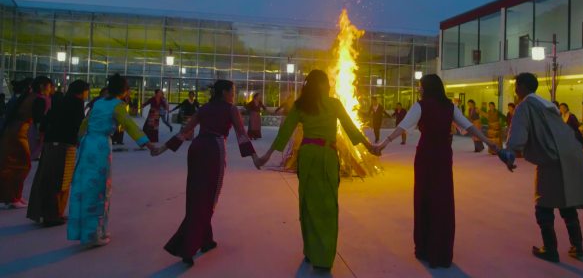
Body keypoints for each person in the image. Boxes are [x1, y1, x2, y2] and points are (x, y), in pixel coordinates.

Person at [257, 70, 377, 270]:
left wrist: (267, 155)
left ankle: (311, 251)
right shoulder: (334, 104)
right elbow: (351, 128)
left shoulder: (301, 105)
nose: (329, 85)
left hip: (308, 155)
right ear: (322, 84)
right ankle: (324, 257)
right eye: (327, 82)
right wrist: (369, 146)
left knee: (308, 203)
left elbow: (284, 133)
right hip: (328, 156)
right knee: (328, 205)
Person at [376, 74, 497, 268]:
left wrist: (383, 144)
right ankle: (441, 251)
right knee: (443, 201)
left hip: (426, 157)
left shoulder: (421, 106)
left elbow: (402, 126)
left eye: (420, 86)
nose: (419, 89)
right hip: (443, 157)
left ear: (427, 88)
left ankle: (425, 248)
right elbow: (469, 127)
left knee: (424, 198)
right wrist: (490, 142)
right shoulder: (450, 107)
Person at [154, 80, 260, 266]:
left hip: (196, 149)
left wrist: (163, 148)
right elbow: (241, 134)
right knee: (209, 198)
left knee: (196, 195)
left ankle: (206, 240)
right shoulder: (230, 109)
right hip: (214, 150)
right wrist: (254, 157)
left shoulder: (204, 108)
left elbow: (186, 131)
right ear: (224, 92)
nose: (234, 95)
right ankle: (188, 246)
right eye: (232, 91)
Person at [502, 73, 583, 262]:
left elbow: (518, 134)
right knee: (567, 201)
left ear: (521, 86)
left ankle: (550, 248)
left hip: (551, 159)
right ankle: (577, 246)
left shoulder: (525, 106)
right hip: (570, 153)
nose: (514, 89)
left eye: (515, 85)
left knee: (543, 205)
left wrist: (510, 154)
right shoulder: (547, 105)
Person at [68, 74, 157, 247]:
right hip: (101, 146)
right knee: (100, 188)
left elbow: (84, 124)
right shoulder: (118, 106)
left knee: (84, 186)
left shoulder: (99, 102)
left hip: (87, 145)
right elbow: (129, 125)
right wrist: (147, 144)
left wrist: (80, 141)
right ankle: (93, 234)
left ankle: (86, 231)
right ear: (125, 91)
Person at [27, 80, 89, 226]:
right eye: (86, 91)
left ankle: (44, 213)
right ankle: (52, 215)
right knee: (60, 180)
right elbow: (78, 124)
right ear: (81, 91)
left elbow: (46, 119)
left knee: (46, 178)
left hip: (50, 144)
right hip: (64, 144)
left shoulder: (60, 101)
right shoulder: (76, 103)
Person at [0, 79, 39, 208]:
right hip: (17, 134)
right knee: (19, 166)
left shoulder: (18, 100)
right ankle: (12, 197)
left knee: (16, 165)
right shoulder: (28, 100)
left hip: (13, 133)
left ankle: (14, 196)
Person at [28, 76, 53, 160]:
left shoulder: (34, 97)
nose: (50, 89)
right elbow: (38, 117)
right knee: (35, 151)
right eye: (49, 86)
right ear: (42, 86)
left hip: (36, 128)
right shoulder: (40, 99)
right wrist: (39, 131)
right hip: (38, 129)